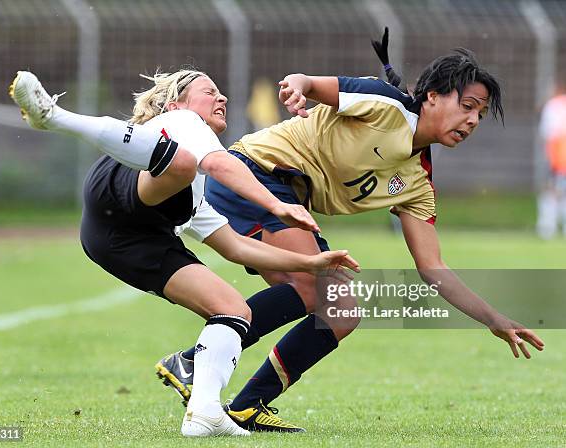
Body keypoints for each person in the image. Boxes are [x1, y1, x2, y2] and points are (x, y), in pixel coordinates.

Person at [157, 36, 546, 432]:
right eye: (467, 107)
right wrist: (296, 87)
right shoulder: (386, 106)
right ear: (431, 96)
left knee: (340, 311)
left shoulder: (417, 182)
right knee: (316, 289)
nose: (472, 121)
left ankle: (244, 405)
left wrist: (494, 319)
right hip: (256, 173)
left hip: (291, 200)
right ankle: (195, 362)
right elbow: (308, 82)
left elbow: (433, 269)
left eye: (479, 114)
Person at [8, 69, 359, 437]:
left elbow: (236, 247)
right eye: (210, 91)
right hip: (114, 199)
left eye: (222, 93)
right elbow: (218, 163)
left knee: (234, 308)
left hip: (123, 243)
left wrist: (310, 263)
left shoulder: (196, 193)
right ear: (175, 104)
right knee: (183, 162)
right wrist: (277, 205)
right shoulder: (180, 120)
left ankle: (204, 414)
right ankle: (53, 116)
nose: (221, 98)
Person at [536, 79, 566, 239]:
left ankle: (547, 227)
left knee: (551, 190)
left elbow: (548, 133)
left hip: (558, 155)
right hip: (561, 154)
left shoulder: (553, 105)